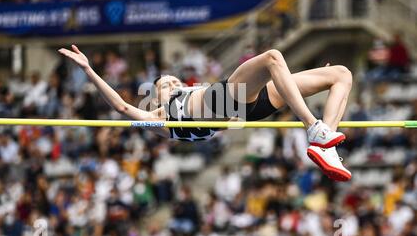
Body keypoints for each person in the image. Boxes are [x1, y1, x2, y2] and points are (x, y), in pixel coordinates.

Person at [58, 45, 353, 182]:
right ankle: (315, 129)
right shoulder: (161, 117)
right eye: (164, 84)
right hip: (224, 101)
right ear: (155, 96)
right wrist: (88, 70)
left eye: (174, 80)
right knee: (273, 57)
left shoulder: (190, 92)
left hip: (247, 104)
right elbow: (122, 107)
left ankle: (326, 144)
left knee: (341, 75)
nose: (172, 83)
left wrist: (289, 83)